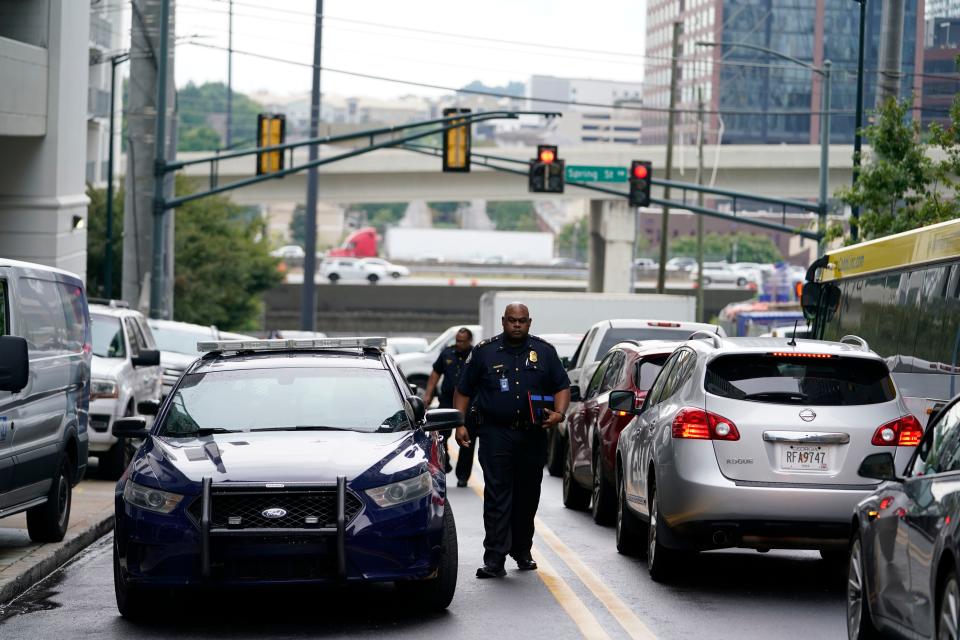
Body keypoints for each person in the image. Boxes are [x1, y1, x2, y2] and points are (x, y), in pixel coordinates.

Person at [454, 303, 570, 579]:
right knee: (497, 495)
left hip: (532, 434)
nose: (516, 325)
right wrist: (459, 424)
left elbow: (561, 386)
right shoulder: (484, 351)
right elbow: (463, 390)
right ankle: (494, 558)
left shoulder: (544, 352)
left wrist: (559, 413)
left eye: (522, 321)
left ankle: (521, 550)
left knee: (527, 496)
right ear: (503, 322)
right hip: (496, 434)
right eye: (511, 321)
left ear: (529, 322)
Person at [422, 327, 476, 487]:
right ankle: (445, 463)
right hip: (447, 401)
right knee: (440, 436)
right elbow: (434, 375)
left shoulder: (476, 355)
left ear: (469, 341)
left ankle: (463, 476)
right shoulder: (447, 353)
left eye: (462, 341)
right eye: (457, 340)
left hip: (469, 403)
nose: (458, 343)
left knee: (467, 440)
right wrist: (428, 394)